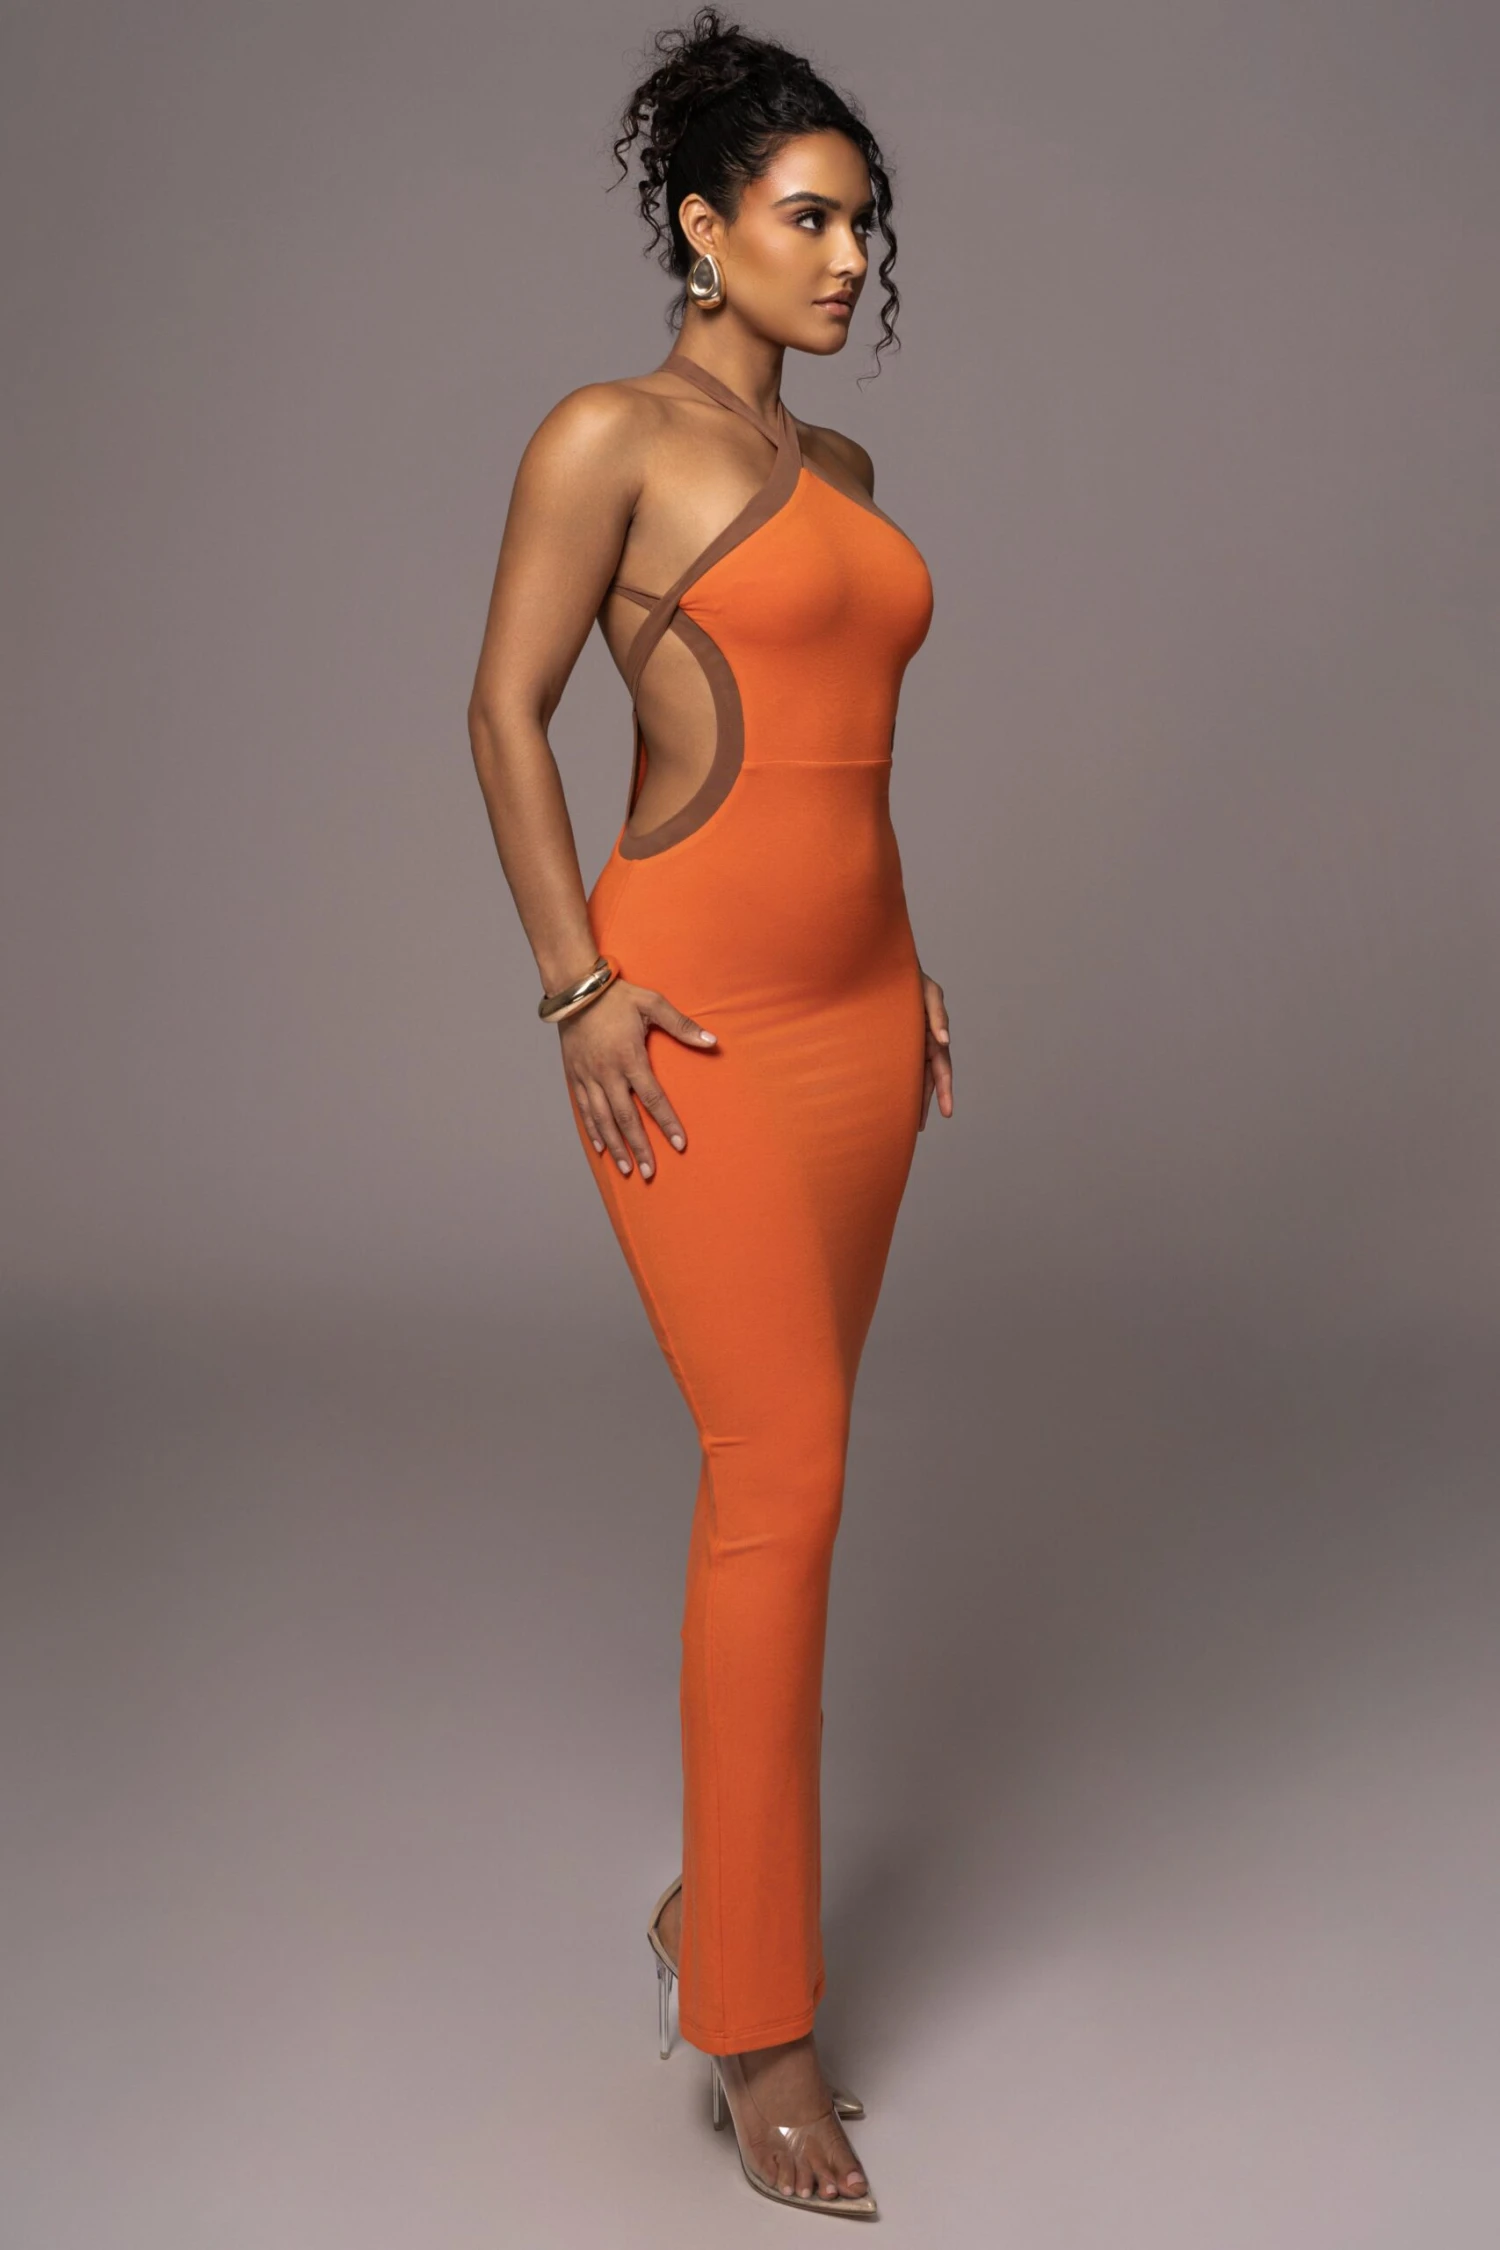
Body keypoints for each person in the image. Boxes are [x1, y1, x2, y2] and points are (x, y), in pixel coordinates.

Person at [467, 6, 953, 2217]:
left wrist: (913, 962)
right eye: (809, 217)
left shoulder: (840, 468)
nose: (848, 259)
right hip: (698, 1023)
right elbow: (506, 710)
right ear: (700, 225)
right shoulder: (611, 436)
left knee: (799, 1467)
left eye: (865, 224)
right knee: (787, 1475)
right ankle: (760, 2021)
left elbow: (852, 760)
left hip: (862, 1019)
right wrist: (576, 978)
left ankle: (713, 1909)